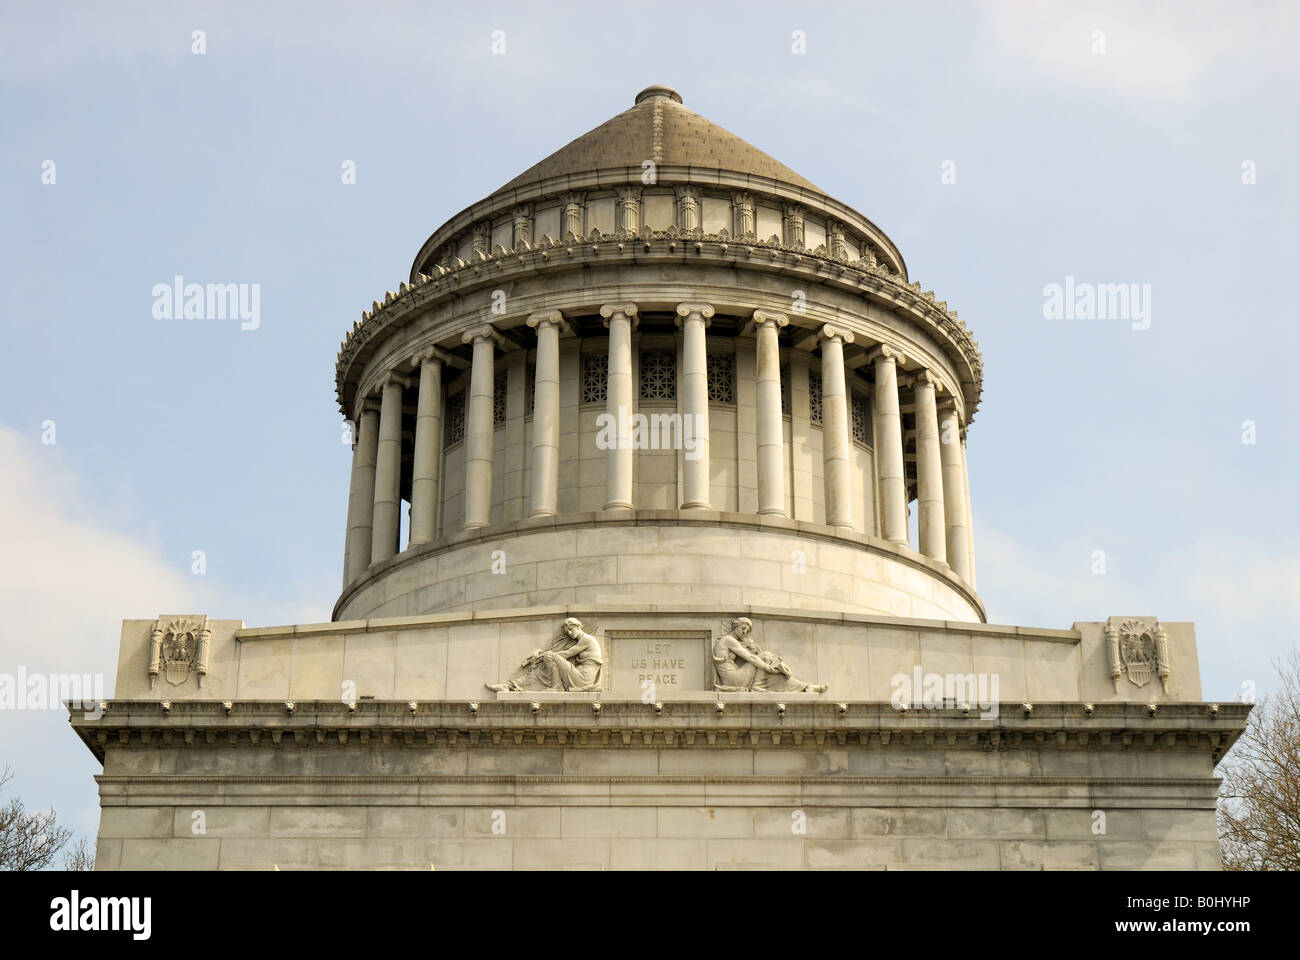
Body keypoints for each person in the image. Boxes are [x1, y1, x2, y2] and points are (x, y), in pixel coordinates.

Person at [712, 617, 827, 693]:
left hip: (735, 677)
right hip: (733, 680)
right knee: (765, 656)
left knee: (773, 673)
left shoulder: (731, 641)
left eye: (746, 631)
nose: (744, 632)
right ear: (735, 627)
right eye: (742, 629)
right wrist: (768, 667)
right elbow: (751, 658)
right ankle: (758, 686)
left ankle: (804, 687)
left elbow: (752, 655)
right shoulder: (728, 640)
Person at [487, 618, 602, 692]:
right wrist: (541, 655)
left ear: (578, 627)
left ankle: (556, 687)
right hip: (577, 675)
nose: (570, 633)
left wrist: (542, 656)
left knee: (548, 657)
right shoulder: (579, 641)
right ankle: (510, 685)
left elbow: (566, 654)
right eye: (567, 632)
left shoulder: (587, 640)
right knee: (542, 671)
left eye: (571, 629)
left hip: (582, 679)